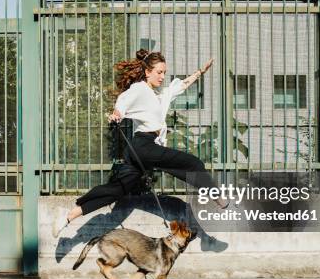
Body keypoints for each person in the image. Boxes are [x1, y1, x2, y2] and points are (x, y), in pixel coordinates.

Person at [53, 49, 227, 237]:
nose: (162, 77)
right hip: (143, 146)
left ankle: (69, 216)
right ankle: (218, 197)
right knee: (194, 164)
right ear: (147, 72)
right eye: (159, 72)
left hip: (143, 151)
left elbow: (182, 86)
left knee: (117, 190)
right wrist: (117, 114)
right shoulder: (140, 89)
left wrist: (201, 71)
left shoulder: (159, 95)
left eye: (164, 73)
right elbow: (123, 100)